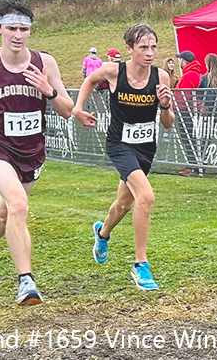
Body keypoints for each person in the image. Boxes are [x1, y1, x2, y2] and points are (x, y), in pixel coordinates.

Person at [0, 0, 73, 306]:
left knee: (4, 214)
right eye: (11, 28)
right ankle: (26, 282)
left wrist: (48, 91)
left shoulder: (45, 63)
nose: (17, 35)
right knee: (19, 205)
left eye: (24, 29)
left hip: (31, 151)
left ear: (30, 31)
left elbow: (67, 110)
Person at [74, 23, 174, 291]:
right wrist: (78, 108)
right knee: (146, 197)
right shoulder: (114, 71)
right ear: (130, 49)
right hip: (119, 144)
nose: (150, 53)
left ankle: (102, 232)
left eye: (153, 47)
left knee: (123, 204)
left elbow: (168, 122)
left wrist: (164, 105)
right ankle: (140, 264)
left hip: (145, 147)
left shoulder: (161, 77)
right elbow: (90, 79)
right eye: (143, 47)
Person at [174, 51, 203, 175]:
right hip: (191, 111)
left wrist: (175, 107)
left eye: (180, 59)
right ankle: (195, 165)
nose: (178, 62)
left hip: (186, 113)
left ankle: (192, 166)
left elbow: (183, 95)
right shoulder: (195, 73)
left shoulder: (189, 75)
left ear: (184, 61)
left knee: (188, 138)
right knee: (191, 138)